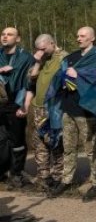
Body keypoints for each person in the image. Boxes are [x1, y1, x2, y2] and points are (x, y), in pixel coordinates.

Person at [55, 26, 96, 201]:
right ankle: (67, 179)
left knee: (91, 148)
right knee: (68, 147)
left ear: (92, 38)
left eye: (83, 36)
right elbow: (61, 75)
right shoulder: (71, 57)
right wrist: (64, 78)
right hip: (68, 108)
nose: (79, 39)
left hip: (86, 110)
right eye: (77, 36)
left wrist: (78, 74)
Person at [24, 34, 67, 194]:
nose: (40, 52)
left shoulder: (63, 58)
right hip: (38, 107)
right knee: (39, 142)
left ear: (52, 43)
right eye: (38, 50)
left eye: (43, 49)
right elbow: (31, 78)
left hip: (55, 107)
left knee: (56, 141)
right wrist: (37, 61)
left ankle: (58, 177)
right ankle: (44, 176)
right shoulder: (41, 60)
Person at [0, 27, 35, 188]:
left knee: (17, 139)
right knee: (1, 139)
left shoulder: (25, 58)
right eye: (3, 34)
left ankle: (17, 173)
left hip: (16, 102)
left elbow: (30, 84)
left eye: (9, 34)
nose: (5, 37)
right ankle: (3, 171)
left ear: (18, 39)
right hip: (0, 102)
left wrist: (25, 105)